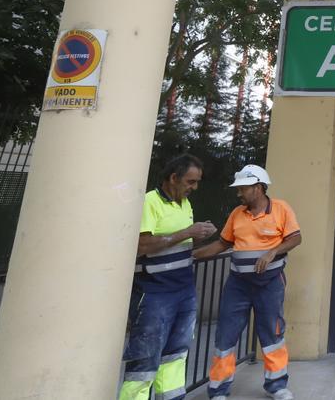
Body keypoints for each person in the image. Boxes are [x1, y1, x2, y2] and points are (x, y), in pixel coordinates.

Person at [195, 165, 301, 400]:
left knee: (272, 334)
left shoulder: (281, 209)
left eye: (243, 188)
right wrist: (191, 256)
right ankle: (218, 389)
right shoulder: (237, 214)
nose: (239, 193)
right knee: (226, 335)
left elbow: (295, 238)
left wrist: (272, 252)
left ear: (258, 187)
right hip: (238, 285)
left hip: (270, 283)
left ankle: (277, 386)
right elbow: (222, 244)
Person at [121, 154, 217, 400]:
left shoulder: (184, 204)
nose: (194, 188)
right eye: (190, 181)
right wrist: (187, 231)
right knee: (144, 363)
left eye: (197, 182)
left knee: (176, 355)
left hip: (184, 291)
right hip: (153, 294)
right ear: (173, 178)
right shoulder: (149, 202)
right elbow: (141, 245)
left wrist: (198, 234)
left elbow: (179, 242)